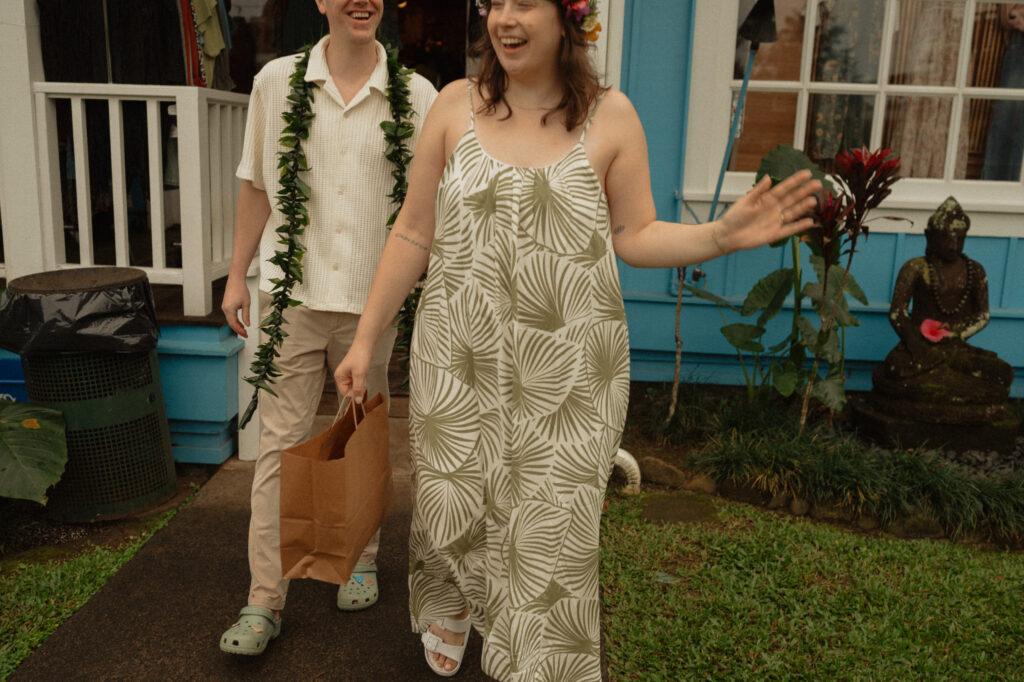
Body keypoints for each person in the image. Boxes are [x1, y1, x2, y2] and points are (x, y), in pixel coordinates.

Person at [333, 0, 820, 678]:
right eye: (495, 2)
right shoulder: (451, 108)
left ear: (567, 17)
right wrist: (364, 340)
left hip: (568, 376)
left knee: (549, 541)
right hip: (458, 358)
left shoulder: (610, 117)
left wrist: (719, 235)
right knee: (450, 506)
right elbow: (415, 230)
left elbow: (635, 234)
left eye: (524, 3)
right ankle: (454, 596)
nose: (505, 18)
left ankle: (538, 664)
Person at [218, 0, 436, 656]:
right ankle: (264, 598)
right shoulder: (275, 83)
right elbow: (256, 184)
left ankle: (360, 557)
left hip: (373, 302)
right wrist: (236, 275)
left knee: (363, 435)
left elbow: (427, 206)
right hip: (292, 295)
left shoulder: (416, 96)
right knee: (280, 447)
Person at [873, 196, 1013, 408]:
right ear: (930, 237)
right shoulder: (916, 268)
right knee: (895, 368)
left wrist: (956, 334)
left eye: (960, 238)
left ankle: (948, 381)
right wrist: (915, 343)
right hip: (919, 348)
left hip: (956, 347)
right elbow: (897, 313)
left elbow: (982, 315)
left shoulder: (975, 271)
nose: (954, 245)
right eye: (947, 238)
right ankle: (943, 383)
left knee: (1001, 373)